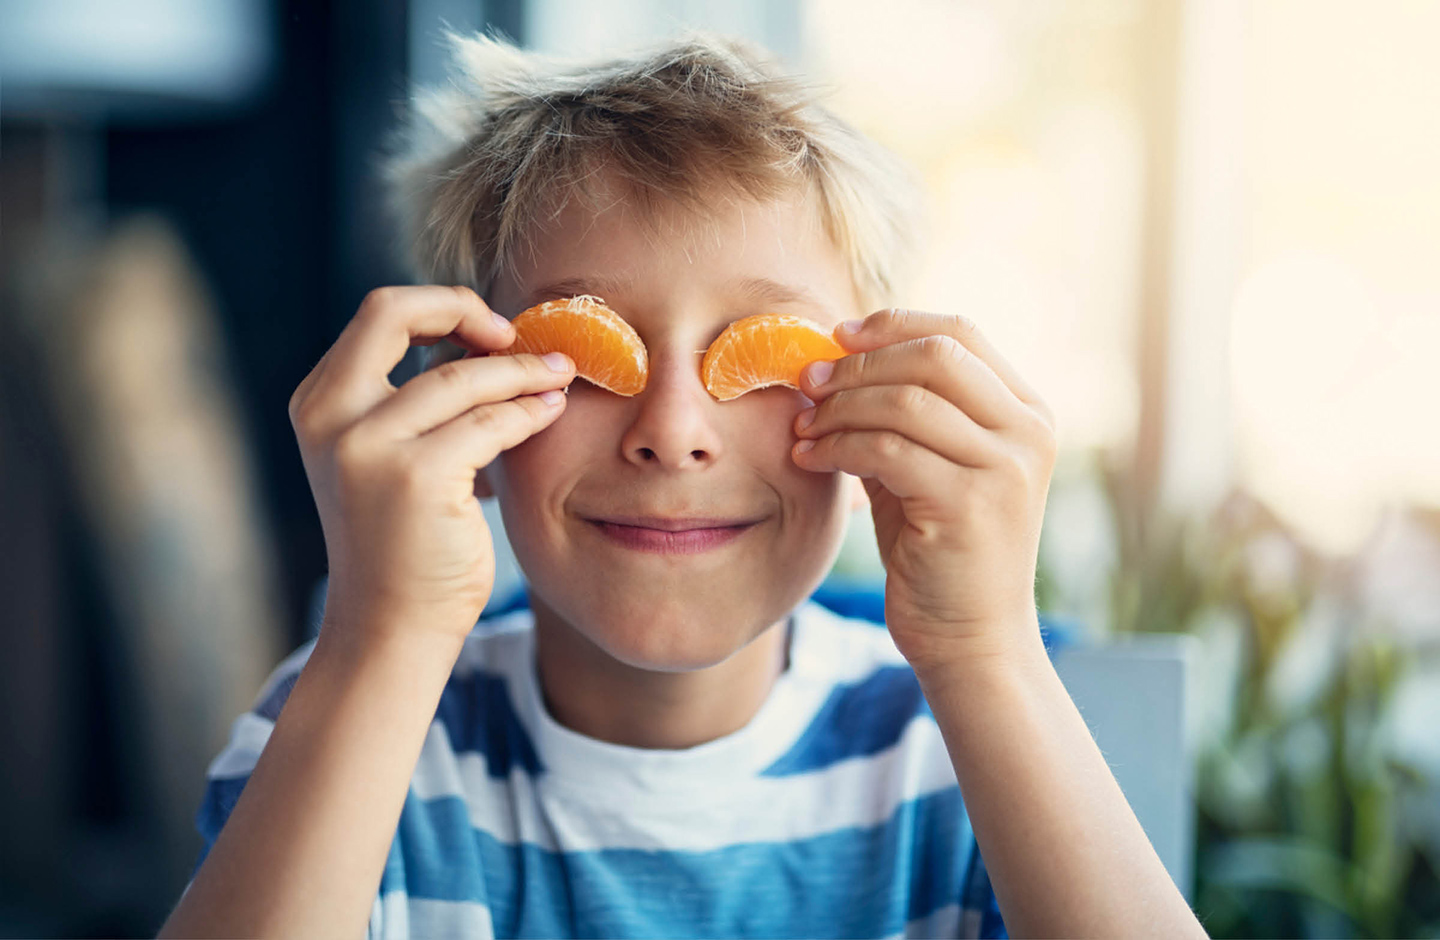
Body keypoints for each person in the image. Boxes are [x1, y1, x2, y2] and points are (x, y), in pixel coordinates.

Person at [160, 32, 1206, 939]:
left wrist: (987, 651)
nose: (672, 432)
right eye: (592, 351)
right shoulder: (350, 727)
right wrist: (382, 631)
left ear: (882, 396)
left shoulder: (964, 758)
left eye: (757, 355)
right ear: (460, 389)